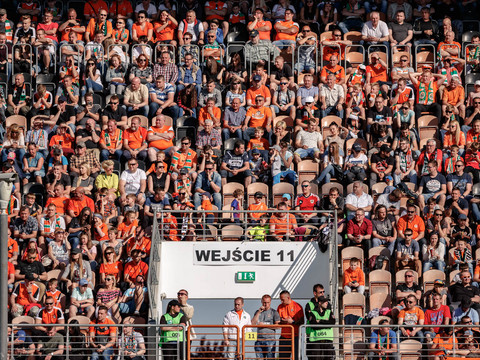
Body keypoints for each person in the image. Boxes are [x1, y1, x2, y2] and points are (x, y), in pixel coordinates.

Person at [277, 290, 304, 360]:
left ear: (288, 298)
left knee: (296, 357)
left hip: (295, 337)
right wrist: (284, 321)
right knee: (283, 358)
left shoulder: (297, 306)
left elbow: (302, 321)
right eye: (280, 300)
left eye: (283, 300)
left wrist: (292, 321)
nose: (281, 302)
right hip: (283, 337)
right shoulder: (279, 307)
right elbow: (277, 321)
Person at [252, 294, 280, 359]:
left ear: (270, 302)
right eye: (264, 302)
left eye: (268, 302)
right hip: (259, 340)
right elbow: (253, 323)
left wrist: (264, 325)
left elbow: (278, 326)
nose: (266, 304)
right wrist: (259, 312)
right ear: (261, 302)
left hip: (270, 340)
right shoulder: (257, 312)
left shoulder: (274, 312)